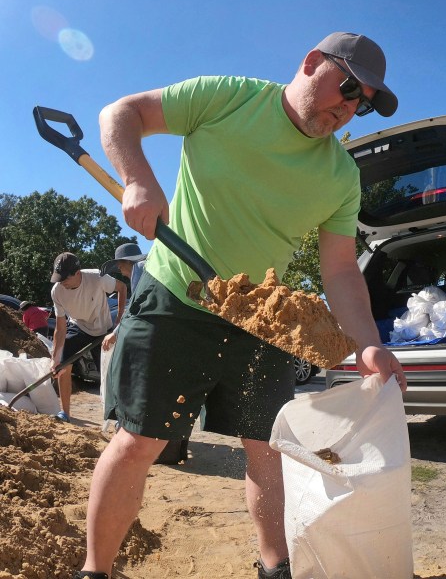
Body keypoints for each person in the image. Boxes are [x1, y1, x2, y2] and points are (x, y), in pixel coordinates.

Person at [74, 32, 406, 579]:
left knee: (266, 448)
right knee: (140, 442)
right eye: (348, 87)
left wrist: (369, 345)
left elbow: (341, 271)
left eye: (363, 103)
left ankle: (274, 566)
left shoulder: (341, 175)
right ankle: (96, 570)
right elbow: (122, 113)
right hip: (175, 298)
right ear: (310, 63)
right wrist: (137, 180)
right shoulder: (228, 98)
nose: (350, 107)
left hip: (262, 318)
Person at [50, 252, 127, 423]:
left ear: (77, 273)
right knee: (63, 366)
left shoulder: (97, 278)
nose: (61, 283)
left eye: (65, 279)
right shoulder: (57, 291)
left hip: (103, 329)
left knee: (110, 375)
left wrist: (119, 322)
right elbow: (60, 328)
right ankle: (65, 413)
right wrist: (55, 358)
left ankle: (120, 419)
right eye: (58, 279)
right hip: (78, 327)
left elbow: (122, 287)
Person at [99, 242, 147, 351]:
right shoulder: (148, 269)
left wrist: (115, 333)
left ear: (128, 262)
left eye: (120, 267)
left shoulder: (139, 268)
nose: (121, 272)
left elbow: (136, 308)